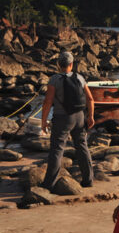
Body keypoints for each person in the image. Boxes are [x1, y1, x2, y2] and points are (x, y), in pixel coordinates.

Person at [41, 51, 95, 188]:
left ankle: (49, 183)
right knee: (82, 147)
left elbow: (48, 101)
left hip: (62, 118)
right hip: (80, 117)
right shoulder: (80, 78)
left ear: (59, 64)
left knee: (57, 150)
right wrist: (91, 116)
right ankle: (88, 179)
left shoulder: (54, 79)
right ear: (71, 64)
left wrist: (43, 121)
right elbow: (90, 99)